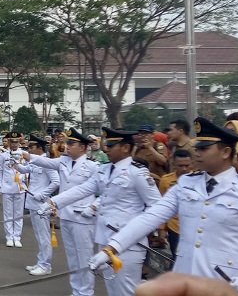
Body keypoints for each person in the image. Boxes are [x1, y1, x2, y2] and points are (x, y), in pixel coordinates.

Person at [93, 117, 238, 296]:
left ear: (226, 151)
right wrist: (112, 248)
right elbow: (150, 217)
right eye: (196, 147)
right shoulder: (186, 183)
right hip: (184, 281)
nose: (196, 153)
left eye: (203, 148)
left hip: (226, 283)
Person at [44, 127, 162, 296]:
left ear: (125, 147)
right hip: (105, 239)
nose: (106, 148)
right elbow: (83, 189)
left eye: (112, 145)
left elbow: (156, 207)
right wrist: (53, 202)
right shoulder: (104, 169)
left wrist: (138, 230)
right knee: (112, 288)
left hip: (128, 243)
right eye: (107, 144)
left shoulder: (137, 173)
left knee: (125, 290)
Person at [20, 128, 99, 296]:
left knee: (84, 257)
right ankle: (76, 290)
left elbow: (106, 191)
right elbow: (46, 163)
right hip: (66, 215)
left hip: (83, 218)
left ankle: (86, 292)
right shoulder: (63, 161)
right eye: (67, 143)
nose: (67, 146)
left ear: (83, 147)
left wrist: (94, 206)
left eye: (72, 143)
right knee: (72, 257)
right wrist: (28, 156)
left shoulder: (93, 166)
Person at [17, 134, 59, 276]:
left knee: (44, 236)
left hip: (41, 203)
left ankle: (45, 265)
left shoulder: (47, 162)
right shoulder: (34, 162)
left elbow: (56, 182)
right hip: (32, 202)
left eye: (31, 147)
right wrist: (15, 163)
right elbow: (24, 170)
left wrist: (42, 195)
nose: (29, 149)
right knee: (38, 235)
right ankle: (41, 262)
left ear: (39, 148)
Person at [158, 149, 195, 261]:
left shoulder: (199, 179)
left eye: (187, 165)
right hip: (175, 226)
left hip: (193, 225)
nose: (184, 169)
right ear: (174, 164)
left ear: (192, 164)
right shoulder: (166, 180)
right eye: (180, 166)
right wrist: (162, 229)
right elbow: (162, 206)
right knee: (177, 257)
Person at [0, 131, 27, 248]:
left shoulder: (23, 154)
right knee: (8, 214)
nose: (14, 144)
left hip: (20, 187)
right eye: (12, 142)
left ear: (19, 142)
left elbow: (28, 169)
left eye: (16, 142)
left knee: (18, 214)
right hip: (7, 187)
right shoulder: (3, 155)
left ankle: (17, 236)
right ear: (8, 142)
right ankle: (9, 236)